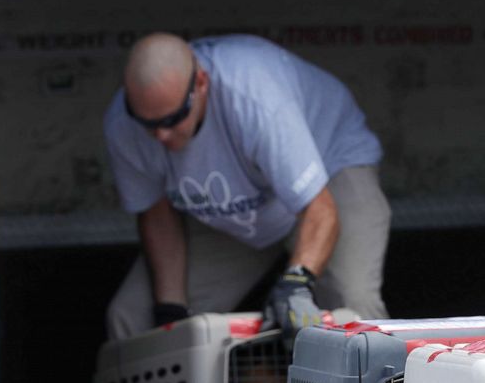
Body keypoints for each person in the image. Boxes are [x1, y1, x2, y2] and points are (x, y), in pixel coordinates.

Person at [102, 32, 391, 342]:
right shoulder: (122, 123)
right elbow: (157, 214)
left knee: (353, 304)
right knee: (136, 319)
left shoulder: (254, 97)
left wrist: (296, 282)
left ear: (201, 83)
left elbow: (320, 210)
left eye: (173, 118)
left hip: (328, 173)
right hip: (238, 210)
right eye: (148, 123)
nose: (161, 135)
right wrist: (170, 310)